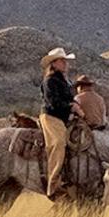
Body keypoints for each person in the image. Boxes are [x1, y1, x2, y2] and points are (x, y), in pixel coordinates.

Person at [39, 47, 83, 201]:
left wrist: (74, 104)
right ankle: (53, 184)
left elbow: (66, 99)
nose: (65, 64)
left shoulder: (64, 81)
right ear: (54, 63)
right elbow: (53, 103)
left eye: (65, 61)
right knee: (58, 143)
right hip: (51, 117)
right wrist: (71, 106)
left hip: (63, 118)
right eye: (62, 61)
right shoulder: (50, 80)